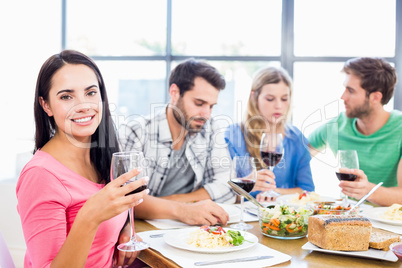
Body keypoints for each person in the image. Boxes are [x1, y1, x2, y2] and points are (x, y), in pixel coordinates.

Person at [16, 50, 149, 268]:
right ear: (46, 105)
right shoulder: (40, 176)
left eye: (90, 93)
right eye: (66, 96)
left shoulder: (102, 157)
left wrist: (124, 229)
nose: (83, 105)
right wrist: (89, 217)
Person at [120, 58, 234, 226]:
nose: (206, 114)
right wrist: (181, 209)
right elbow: (124, 200)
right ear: (174, 93)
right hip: (144, 228)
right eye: (199, 103)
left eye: (211, 106)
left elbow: (228, 187)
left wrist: (168, 203)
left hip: (192, 228)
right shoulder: (136, 132)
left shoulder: (210, 129)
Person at [308, 57, 402, 206]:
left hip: (389, 223)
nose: (342, 97)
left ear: (375, 97)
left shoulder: (399, 129)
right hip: (347, 217)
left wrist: (367, 190)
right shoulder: (336, 126)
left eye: (350, 91)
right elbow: (298, 157)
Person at [225, 66, 315, 202]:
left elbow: (308, 190)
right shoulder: (233, 135)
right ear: (254, 97)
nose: (278, 106)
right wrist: (250, 185)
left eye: (284, 99)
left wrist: (275, 192)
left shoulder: (296, 137)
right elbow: (223, 195)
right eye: (270, 99)